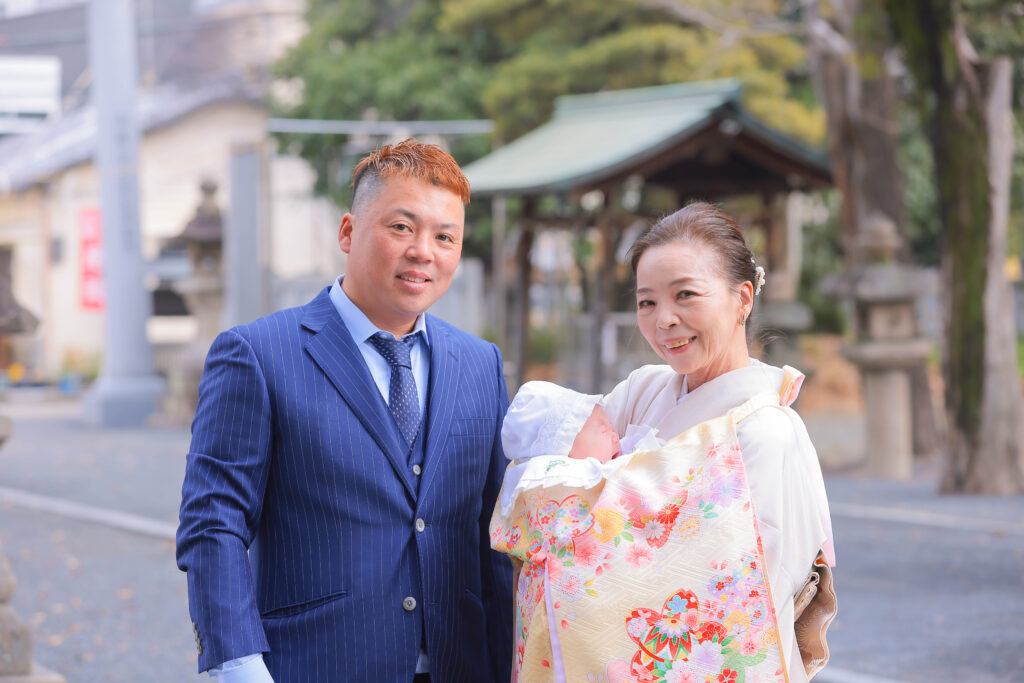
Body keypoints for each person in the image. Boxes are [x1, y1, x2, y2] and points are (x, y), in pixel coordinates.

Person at [176, 139, 513, 683]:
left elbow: (493, 537)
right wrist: (237, 666)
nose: (424, 251)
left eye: (445, 236)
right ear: (349, 232)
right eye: (401, 227)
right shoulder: (259, 354)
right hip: (315, 665)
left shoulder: (480, 363)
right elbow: (213, 522)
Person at [491, 202, 834, 683]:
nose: (664, 320)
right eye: (647, 302)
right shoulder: (644, 389)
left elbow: (741, 588)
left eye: (686, 295)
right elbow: (564, 458)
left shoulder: (767, 431)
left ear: (743, 298)